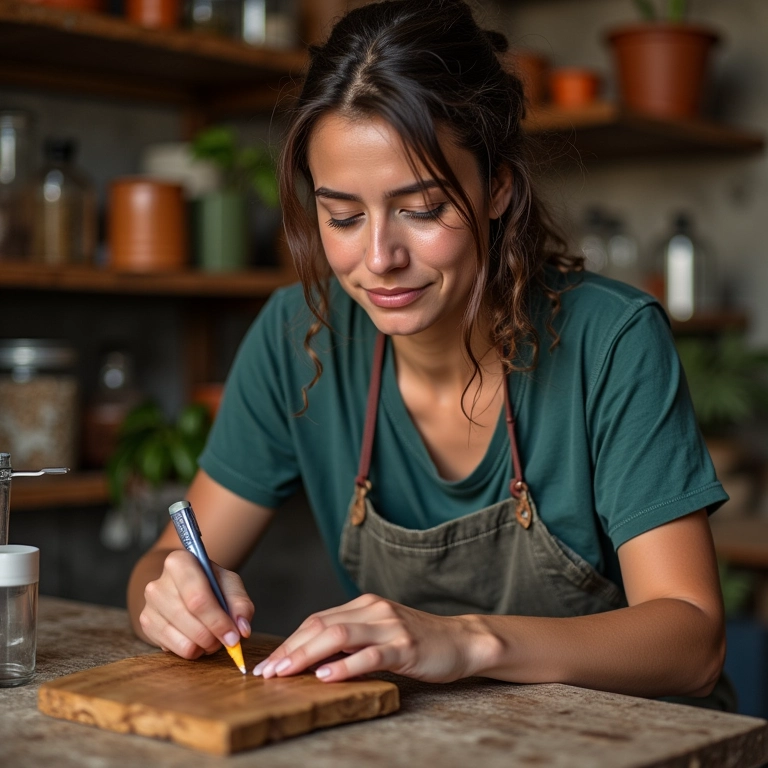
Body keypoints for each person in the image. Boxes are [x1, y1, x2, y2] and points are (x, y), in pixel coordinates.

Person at [128, 0, 732, 708]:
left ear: (498, 187)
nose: (379, 258)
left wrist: (466, 639)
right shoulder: (301, 333)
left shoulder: (612, 338)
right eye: (343, 216)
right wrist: (173, 593)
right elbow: (163, 566)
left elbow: (691, 642)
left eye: (422, 209)